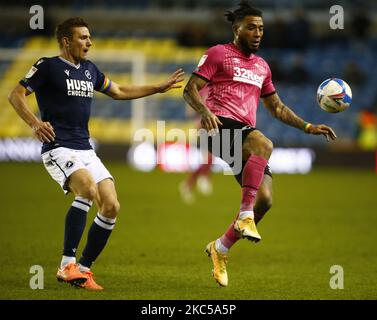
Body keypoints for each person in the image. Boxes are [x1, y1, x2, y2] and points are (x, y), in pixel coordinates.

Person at [8, 17, 184, 290]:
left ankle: (83, 269)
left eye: (89, 37)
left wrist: (157, 88)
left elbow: (120, 90)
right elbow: (16, 95)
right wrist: (34, 123)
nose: (89, 42)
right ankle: (66, 264)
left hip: (85, 148)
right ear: (66, 41)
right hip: (58, 146)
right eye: (83, 37)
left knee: (111, 206)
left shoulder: (90, 70)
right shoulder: (48, 66)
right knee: (87, 189)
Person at [183, 1, 336, 287]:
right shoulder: (218, 54)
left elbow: (276, 107)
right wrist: (204, 112)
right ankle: (244, 216)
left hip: (242, 135)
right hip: (217, 128)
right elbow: (190, 89)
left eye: (261, 29)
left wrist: (307, 126)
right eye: (251, 27)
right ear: (236, 28)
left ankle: (220, 248)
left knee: (264, 201)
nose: (257, 33)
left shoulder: (262, 67)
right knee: (263, 143)